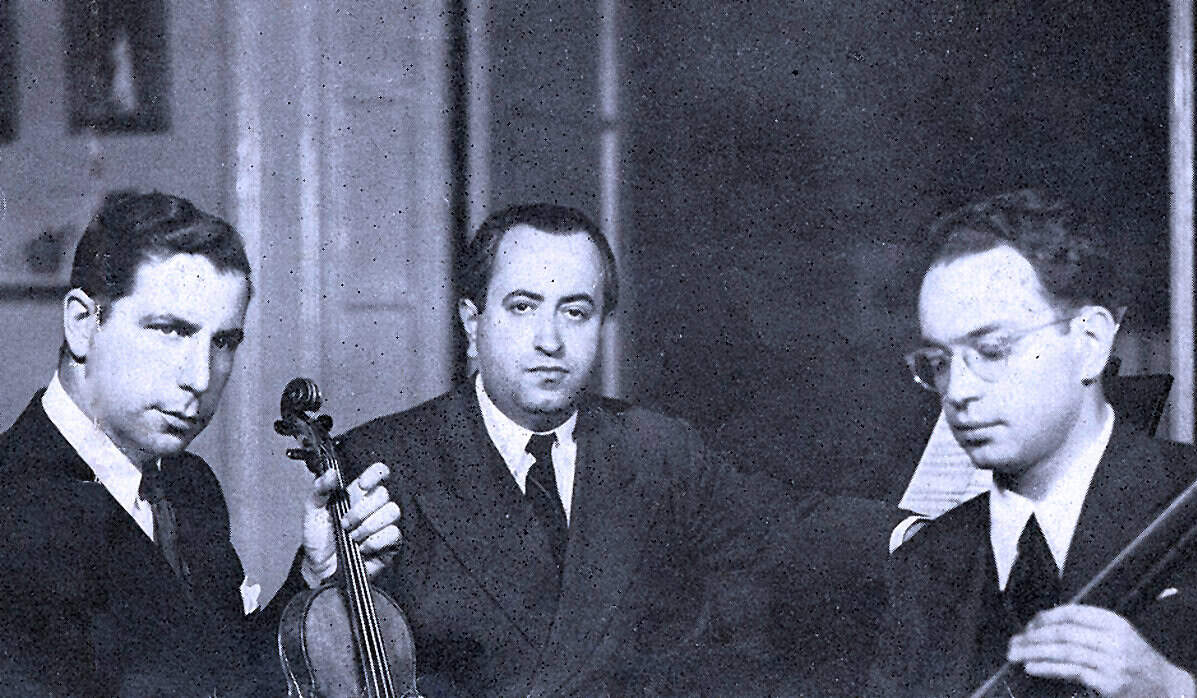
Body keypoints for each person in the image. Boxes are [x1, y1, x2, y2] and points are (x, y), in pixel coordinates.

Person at [337, 203, 900, 696]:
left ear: (603, 324)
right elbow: (310, 658)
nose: (550, 341)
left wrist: (927, 535)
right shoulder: (384, 461)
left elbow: (789, 528)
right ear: (471, 321)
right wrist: (317, 576)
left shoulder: (657, 450)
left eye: (575, 312)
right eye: (523, 307)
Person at [871, 190, 1197, 697]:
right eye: (938, 363)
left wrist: (1175, 692)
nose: (957, 391)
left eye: (993, 349)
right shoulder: (924, 561)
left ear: (1090, 343)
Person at [0, 191, 402, 696]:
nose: (200, 376)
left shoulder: (189, 485)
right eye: (170, 330)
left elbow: (225, 677)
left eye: (223, 341)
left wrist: (313, 576)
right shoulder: (11, 509)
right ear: (83, 324)